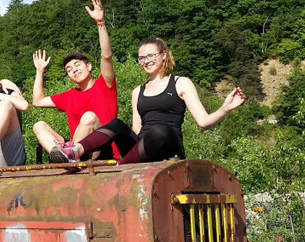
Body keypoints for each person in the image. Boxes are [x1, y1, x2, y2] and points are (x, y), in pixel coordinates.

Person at [50, 37, 246, 164]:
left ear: (163, 55)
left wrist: (224, 108)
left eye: (150, 55)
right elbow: (136, 129)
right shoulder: (138, 91)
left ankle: (121, 167)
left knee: (161, 130)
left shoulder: (180, 83)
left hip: (167, 144)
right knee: (116, 124)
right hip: (141, 148)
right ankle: (75, 151)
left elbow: (203, 122)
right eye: (141, 58)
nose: (146, 61)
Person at [31, 0, 118, 160]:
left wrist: (100, 23)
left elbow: (106, 56)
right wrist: (40, 71)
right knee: (39, 125)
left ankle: (70, 156)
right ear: (69, 78)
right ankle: (64, 157)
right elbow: (37, 101)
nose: (74, 70)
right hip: (78, 151)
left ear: (89, 66)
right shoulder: (69, 96)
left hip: (102, 149)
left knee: (89, 117)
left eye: (77, 65)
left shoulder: (104, 85)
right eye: (69, 69)